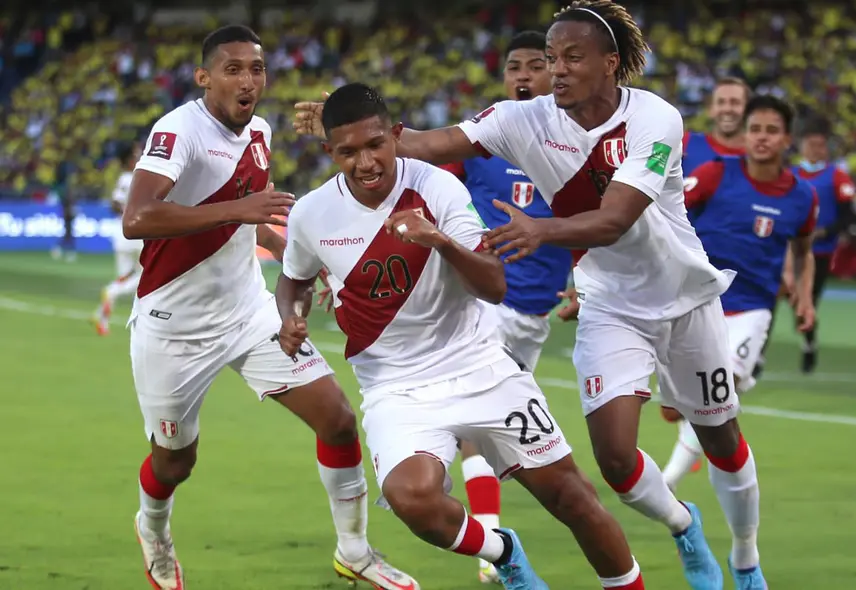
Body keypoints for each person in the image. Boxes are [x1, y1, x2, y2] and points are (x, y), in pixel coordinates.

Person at [294, 3, 767, 588]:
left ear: (610, 63)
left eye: (571, 58)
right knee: (615, 463)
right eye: (551, 59)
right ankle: (682, 525)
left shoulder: (655, 118)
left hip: (688, 297)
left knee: (721, 438)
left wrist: (540, 229)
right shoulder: (521, 119)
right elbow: (428, 142)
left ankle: (746, 561)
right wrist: (353, 127)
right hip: (612, 304)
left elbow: (615, 218)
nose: (557, 70)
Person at [280, 82, 647, 590]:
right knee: (414, 502)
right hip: (396, 388)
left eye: (375, 145)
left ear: (395, 136)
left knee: (572, 497)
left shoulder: (437, 187)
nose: (365, 162)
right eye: (348, 152)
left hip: (480, 367)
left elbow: (494, 287)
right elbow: (293, 281)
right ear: (329, 153)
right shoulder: (312, 214)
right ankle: (504, 551)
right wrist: (290, 316)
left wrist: (439, 241)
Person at [121, 26, 416, 590]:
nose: (248, 80)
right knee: (174, 462)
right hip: (173, 329)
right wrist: (241, 208)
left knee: (336, 418)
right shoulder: (179, 130)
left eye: (256, 69)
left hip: (249, 313)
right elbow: (137, 219)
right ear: (204, 77)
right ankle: (153, 528)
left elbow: (258, 221)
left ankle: (354, 551)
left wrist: (299, 258)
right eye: (233, 69)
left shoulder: (259, 131)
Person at [438, 29, 574, 585]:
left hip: (534, 316)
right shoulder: (478, 143)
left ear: (553, 74)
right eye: (513, 66)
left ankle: (434, 473)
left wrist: (585, 281)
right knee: (475, 425)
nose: (523, 76)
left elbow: (601, 222)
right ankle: (490, 546)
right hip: (481, 305)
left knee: (497, 441)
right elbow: (420, 185)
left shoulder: (575, 145)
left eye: (534, 66)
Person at [661, 95, 818, 491]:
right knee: (678, 408)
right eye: (755, 130)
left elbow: (803, 252)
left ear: (787, 139)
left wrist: (804, 297)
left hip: (752, 308)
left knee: (720, 386)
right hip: (695, 303)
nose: (762, 138)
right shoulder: (715, 173)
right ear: (745, 135)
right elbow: (669, 209)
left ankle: (668, 482)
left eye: (771, 131)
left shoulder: (802, 197)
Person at [790, 117, 855, 372]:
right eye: (811, 145)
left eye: (820, 145)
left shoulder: (837, 177)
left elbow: (849, 214)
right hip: (789, 249)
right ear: (802, 146)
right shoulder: (790, 175)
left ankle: (809, 344)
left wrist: (825, 231)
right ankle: (758, 354)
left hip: (820, 251)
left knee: (808, 300)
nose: (816, 150)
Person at [93, 144, 144, 336]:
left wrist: (124, 212)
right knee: (143, 277)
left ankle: (101, 318)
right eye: (136, 154)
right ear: (130, 160)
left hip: (120, 235)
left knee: (125, 277)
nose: (139, 156)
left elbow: (114, 204)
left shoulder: (122, 179)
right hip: (136, 233)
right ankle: (112, 292)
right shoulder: (137, 178)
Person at [682, 77, 749, 175]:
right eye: (721, 102)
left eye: (735, 102)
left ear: (749, 110)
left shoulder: (758, 156)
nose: (727, 109)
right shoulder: (684, 142)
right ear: (710, 109)